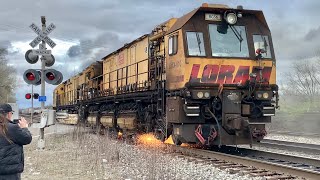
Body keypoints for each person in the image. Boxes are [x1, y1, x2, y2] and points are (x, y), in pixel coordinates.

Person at [0, 104, 32, 180]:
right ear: (9, 114)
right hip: (9, 172)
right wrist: (24, 128)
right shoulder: (11, 128)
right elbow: (27, 139)